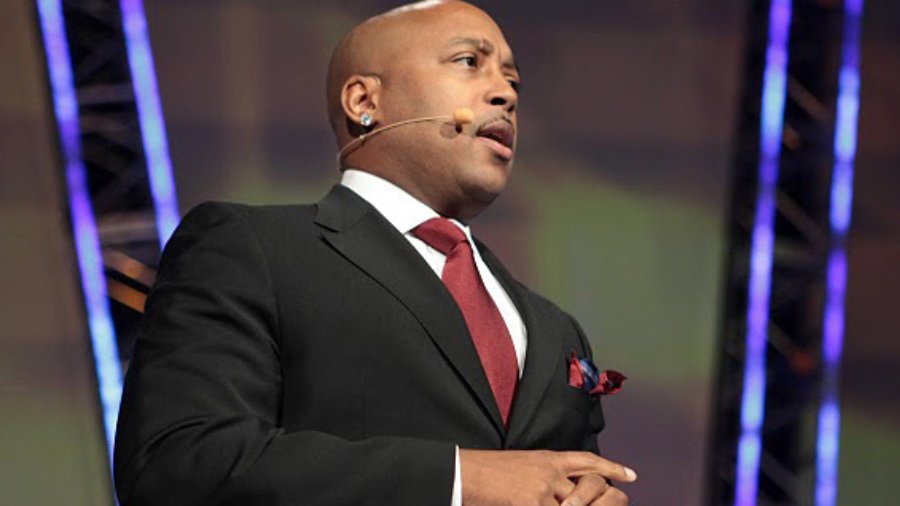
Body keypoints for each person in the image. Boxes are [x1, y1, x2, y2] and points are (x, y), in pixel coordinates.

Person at [113, 1, 636, 505]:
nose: (505, 93)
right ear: (364, 102)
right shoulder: (253, 248)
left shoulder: (554, 329)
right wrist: (460, 480)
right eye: (469, 62)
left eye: (512, 80)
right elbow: (177, 463)